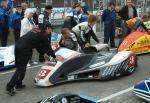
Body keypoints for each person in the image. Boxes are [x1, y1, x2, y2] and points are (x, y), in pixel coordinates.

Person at [6, 22, 57, 96]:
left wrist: (43, 53)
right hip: (24, 49)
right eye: (51, 30)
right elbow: (48, 48)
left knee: (20, 67)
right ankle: (9, 87)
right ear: (47, 28)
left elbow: (37, 45)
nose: (51, 32)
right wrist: (55, 57)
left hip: (18, 45)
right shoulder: (43, 35)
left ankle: (19, 84)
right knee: (20, 69)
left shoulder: (37, 30)